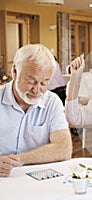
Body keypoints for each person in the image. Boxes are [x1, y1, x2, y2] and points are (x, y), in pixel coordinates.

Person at [0, 44, 72, 177]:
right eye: (31, 81)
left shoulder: (52, 101)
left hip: (38, 179)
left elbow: (64, 149)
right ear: (15, 72)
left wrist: (18, 160)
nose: (37, 90)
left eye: (44, 83)